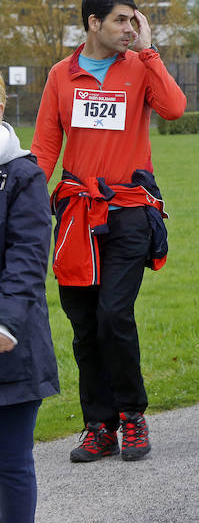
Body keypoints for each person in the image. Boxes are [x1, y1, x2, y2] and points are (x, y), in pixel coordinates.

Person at [31, 0, 186, 462]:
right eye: (121, 20)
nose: (129, 28)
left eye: (134, 20)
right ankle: (98, 425)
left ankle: (133, 417)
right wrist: (25, 202)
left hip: (130, 214)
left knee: (115, 316)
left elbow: (174, 109)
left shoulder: (140, 67)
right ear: (93, 23)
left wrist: (150, 50)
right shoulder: (61, 75)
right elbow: (45, 148)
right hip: (77, 220)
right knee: (83, 326)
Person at [0, 73, 60, 523]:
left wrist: (6, 323)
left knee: (11, 462)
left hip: (11, 345)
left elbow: (26, 258)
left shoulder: (23, 176)